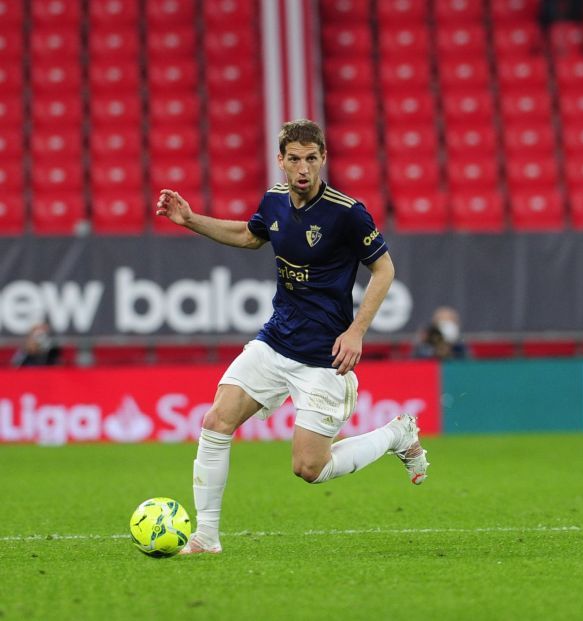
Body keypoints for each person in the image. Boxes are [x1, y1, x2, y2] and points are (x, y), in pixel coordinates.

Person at [155, 119, 429, 555]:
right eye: (295, 159)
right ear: (280, 161)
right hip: (275, 340)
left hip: (324, 357)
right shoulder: (275, 200)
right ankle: (206, 537)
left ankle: (397, 434)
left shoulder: (347, 212)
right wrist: (189, 219)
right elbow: (249, 236)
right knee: (215, 422)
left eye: (312, 159)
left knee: (309, 468)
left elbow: (384, 269)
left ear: (323, 159)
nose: (303, 168)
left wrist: (357, 330)